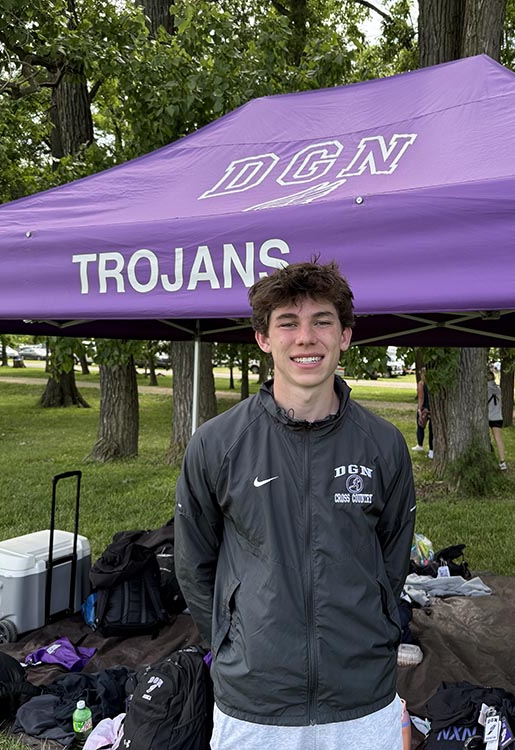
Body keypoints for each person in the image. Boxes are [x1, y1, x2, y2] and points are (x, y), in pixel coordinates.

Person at [174, 260, 417, 750]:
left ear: (345, 335)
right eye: (288, 322)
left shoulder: (384, 445)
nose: (306, 338)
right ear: (264, 339)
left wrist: (380, 629)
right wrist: (232, 644)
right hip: (255, 698)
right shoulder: (217, 444)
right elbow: (194, 565)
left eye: (322, 321)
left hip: (361, 694)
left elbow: (391, 561)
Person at [487, 369, 508, 470]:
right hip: (497, 417)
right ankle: (502, 461)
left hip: (487, 417)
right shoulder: (498, 389)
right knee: (498, 440)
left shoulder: (484, 389)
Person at [413, 368, 434, 459]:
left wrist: (419, 409)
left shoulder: (421, 384)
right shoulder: (434, 384)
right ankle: (431, 451)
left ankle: (420, 445)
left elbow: (421, 398)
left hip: (425, 409)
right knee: (432, 430)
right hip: (433, 409)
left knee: (420, 426)